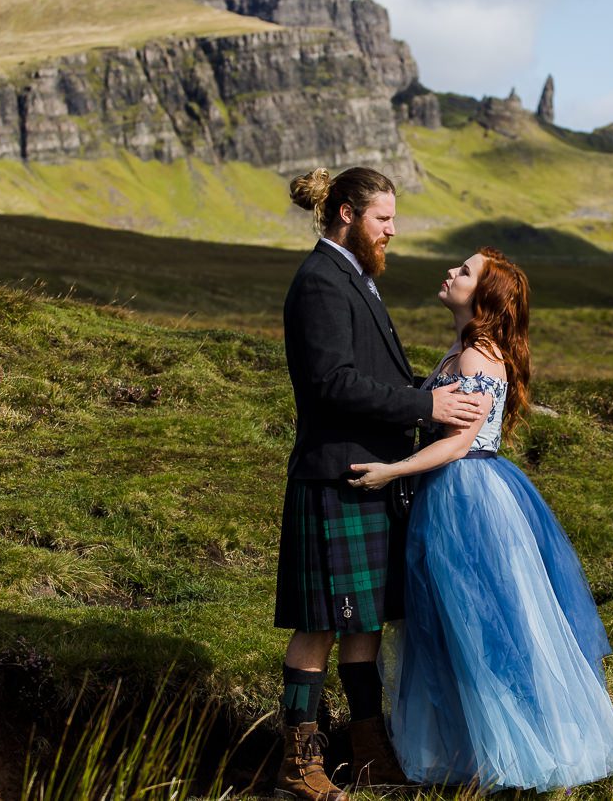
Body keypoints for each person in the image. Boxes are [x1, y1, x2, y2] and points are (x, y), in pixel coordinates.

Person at [348, 248, 613, 792]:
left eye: (463, 272)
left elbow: (458, 443)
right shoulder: (464, 349)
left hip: (468, 497)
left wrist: (391, 471)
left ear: (483, 298)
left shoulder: (479, 357)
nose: (450, 274)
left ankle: (511, 752)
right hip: (455, 493)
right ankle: (477, 752)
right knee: (459, 624)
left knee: (480, 623)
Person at [273, 166, 484, 801]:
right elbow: (331, 383)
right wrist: (428, 410)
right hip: (335, 475)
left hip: (366, 479)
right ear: (345, 213)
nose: (393, 230)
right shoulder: (321, 282)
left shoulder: (353, 277)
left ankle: (367, 753)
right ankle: (296, 764)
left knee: (362, 623)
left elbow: (368, 375)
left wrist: (430, 390)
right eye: (383, 219)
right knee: (319, 624)